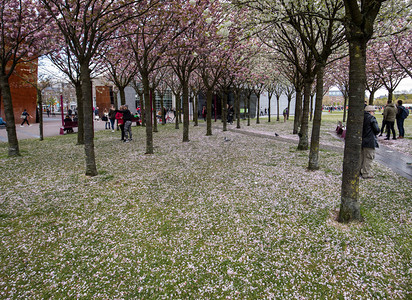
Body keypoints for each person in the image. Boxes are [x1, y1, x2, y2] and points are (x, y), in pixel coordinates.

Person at [360, 105, 380, 179]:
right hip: (369, 140)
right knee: (369, 158)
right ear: (370, 111)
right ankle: (365, 173)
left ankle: (360, 171)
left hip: (362, 140)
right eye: (373, 112)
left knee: (362, 157)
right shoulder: (371, 118)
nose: (373, 113)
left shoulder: (361, 117)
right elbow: (376, 129)